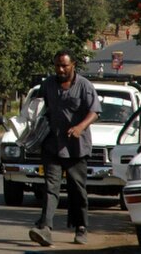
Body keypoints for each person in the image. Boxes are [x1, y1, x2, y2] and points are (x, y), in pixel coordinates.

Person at [29, 50, 101, 247]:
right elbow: (37, 107)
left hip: (76, 147)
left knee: (77, 189)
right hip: (51, 144)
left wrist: (80, 127)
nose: (60, 69)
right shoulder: (48, 84)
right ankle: (45, 228)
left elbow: (95, 111)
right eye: (57, 66)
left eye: (64, 66)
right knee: (51, 187)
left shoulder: (84, 85)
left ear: (73, 65)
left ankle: (81, 227)